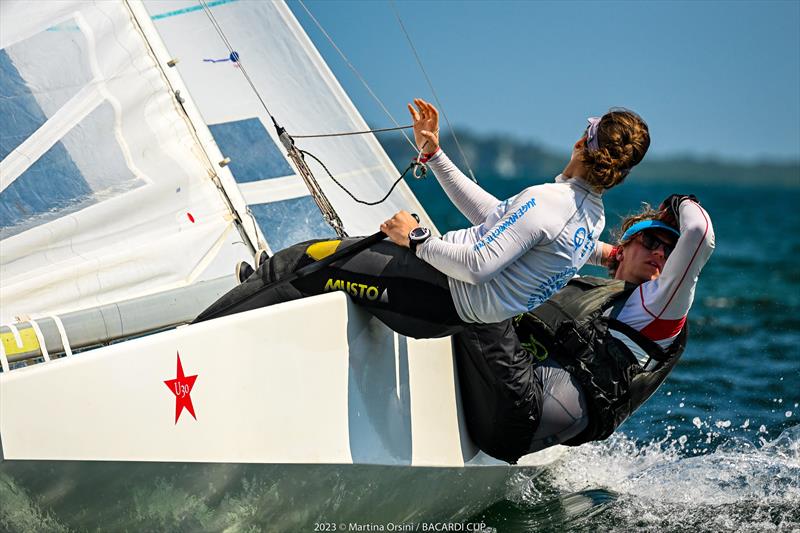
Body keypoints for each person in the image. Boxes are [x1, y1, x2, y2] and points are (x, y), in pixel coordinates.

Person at [195, 99, 651, 338]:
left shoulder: (549, 200)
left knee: (295, 263)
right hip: (452, 310)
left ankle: (193, 340)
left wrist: (414, 238)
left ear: (581, 144)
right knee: (319, 265)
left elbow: (477, 265)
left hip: (438, 296)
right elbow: (497, 219)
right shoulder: (588, 215)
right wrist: (433, 155)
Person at [453, 194, 714, 463]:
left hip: (519, 415)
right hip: (511, 408)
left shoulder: (657, 308)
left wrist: (682, 202)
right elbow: (507, 224)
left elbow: (699, 233)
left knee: (474, 285)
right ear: (622, 249)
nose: (660, 252)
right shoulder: (580, 289)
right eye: (650, 242)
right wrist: (435, 158)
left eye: (671, 251)